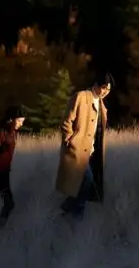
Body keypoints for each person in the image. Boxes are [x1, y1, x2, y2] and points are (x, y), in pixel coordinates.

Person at [55, 74, 112, 219]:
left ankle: (68, 211)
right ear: (96, 84)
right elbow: (67, 121)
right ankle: (74, 213)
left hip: (92, 153)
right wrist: (70, 141)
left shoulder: (102, 105)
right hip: (78, 150)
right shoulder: (81, 96)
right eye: (104, 87)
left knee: (85, 185)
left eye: (108, 89)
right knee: (87, 180)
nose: (105, 91)